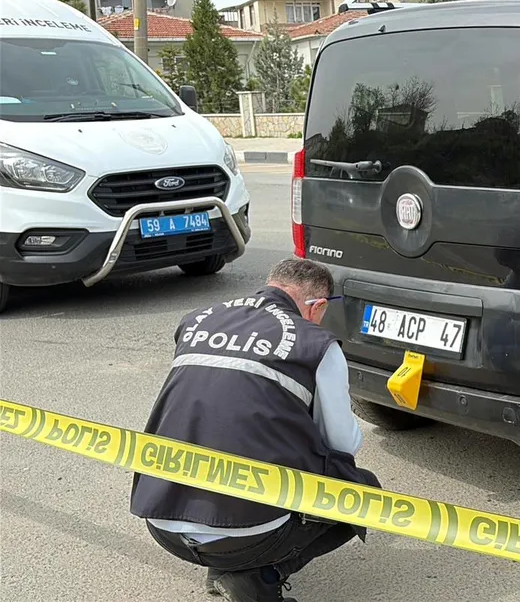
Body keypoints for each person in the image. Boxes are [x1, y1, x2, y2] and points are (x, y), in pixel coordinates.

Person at [130, 258, 379, 602]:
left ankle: (221, 567)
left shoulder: (197, 320)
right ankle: (259, 574)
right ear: (317, 306)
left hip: (161, 521)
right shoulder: (315, 343)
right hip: (250, 534)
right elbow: (342, 442)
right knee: (364, 488)